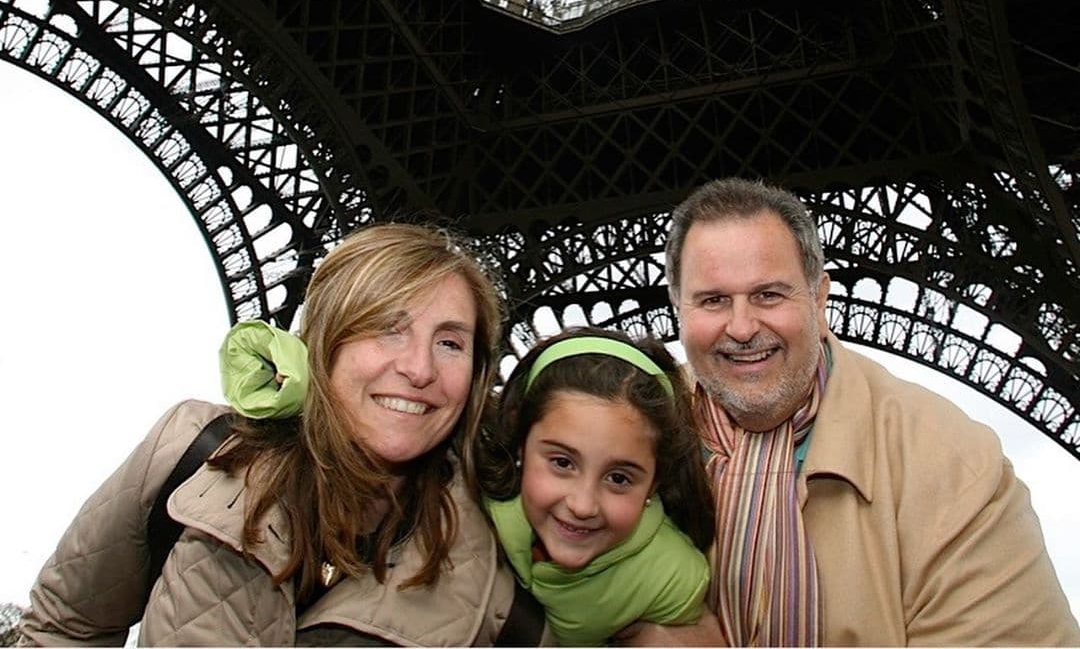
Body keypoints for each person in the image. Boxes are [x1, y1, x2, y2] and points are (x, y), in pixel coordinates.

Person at [20, 223, 549, 647]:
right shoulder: (193, 452)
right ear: (324, 342)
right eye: (388, 326)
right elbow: (64, 627)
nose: (419, 368)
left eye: (451, 343)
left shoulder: (504, 588)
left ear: (478, 374)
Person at [626, 177, 1080, 647]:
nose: (741, 327)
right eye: (714, 300)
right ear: (677, 306)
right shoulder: (616, 435)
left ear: (820, 298)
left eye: (768, 295)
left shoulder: (954, 463)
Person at [479, 327, 713, 646]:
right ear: (520, 440)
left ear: (654, 483)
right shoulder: (468, 509)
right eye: (562, 463)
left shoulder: (675, 579)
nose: (583, 505)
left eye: (618, 478)